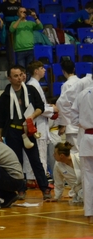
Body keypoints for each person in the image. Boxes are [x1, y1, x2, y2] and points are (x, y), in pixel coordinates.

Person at [0, 65, 51, 200]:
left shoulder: (30, 90)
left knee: (35, 160)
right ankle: (20, 189)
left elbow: (40, 107)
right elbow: (0, 118)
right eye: (15, 76)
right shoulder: (5, 96)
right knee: (16, 162)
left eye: (21, 75)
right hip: (12, 131)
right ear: (9, 78)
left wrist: (32, 116)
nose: (19, 78)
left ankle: (45, 188)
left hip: (28, 129)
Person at [26, 61, 57, 183]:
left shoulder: (35, 84)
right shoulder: (32, 85)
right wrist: (52, 109)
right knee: (40, 153)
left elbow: (41, 105)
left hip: (41, 122)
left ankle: (38, 179)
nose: (44, 70)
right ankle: (40, 180)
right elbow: (37, 107)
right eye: (41, 68)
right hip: (37, 124)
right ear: (36, 71)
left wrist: (49, 107)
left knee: (41, 153)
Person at [56, 60, 93, 153]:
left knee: (76, 153)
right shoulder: (82, 82)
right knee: (78, 153)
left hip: (77, 124)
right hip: (82, 124)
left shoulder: (68, 84)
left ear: (63, 71)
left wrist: (65, 123)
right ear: (74, 69)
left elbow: (61, 103)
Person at [70, 84, 93, 224]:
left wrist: (86, 123)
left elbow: (73, 119)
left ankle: (90, 214)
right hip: (87, 136)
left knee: (88, 178)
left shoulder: (83, 94)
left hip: (87, 138)